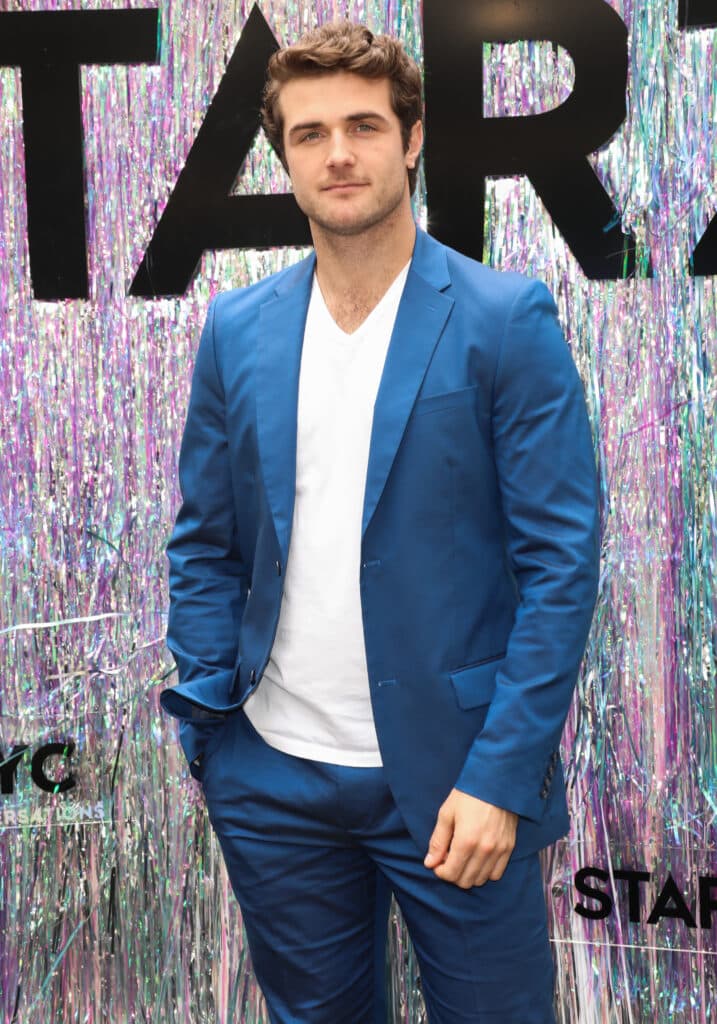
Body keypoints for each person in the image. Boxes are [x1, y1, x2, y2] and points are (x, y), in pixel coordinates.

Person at [160, 20, 599, 1024]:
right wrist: (214, 733)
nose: (339, 154)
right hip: (273, 777)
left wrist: (500, 775)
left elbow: (560, 566)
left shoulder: (504, 319)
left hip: (459, 786)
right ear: (284, 157)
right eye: (311, 134)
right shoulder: (238, 329)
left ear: (412, 139)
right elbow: (206, 540)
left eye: (364, 125)